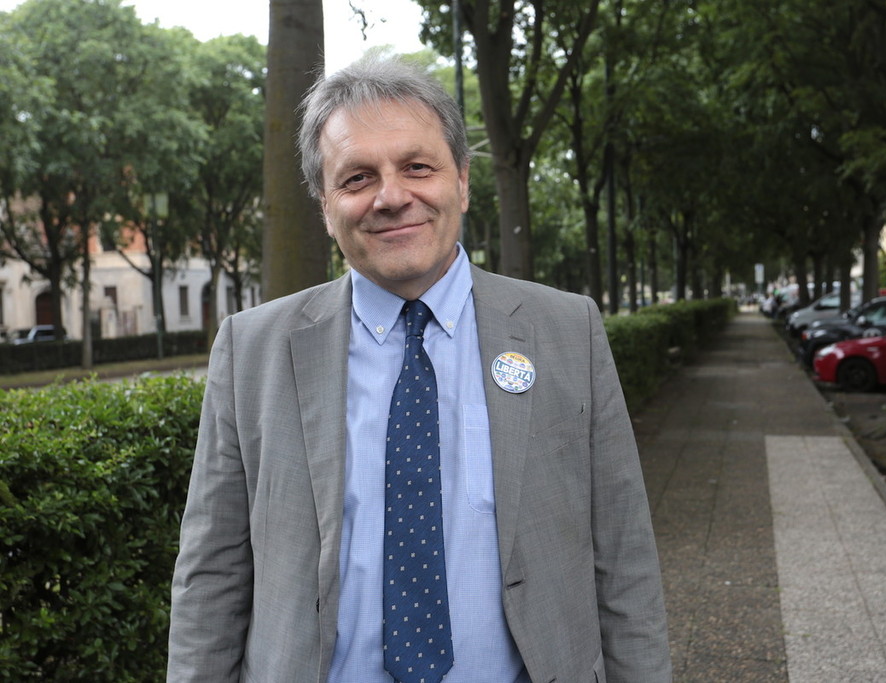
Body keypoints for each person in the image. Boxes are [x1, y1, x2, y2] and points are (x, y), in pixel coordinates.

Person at [168, 55, 670, 683]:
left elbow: (623, 558)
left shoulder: (569, 331)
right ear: (325, 205)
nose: (391, 197)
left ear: (462, 180)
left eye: (417, 167)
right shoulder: (251, 350)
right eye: (357, 178)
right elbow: (211, 573)